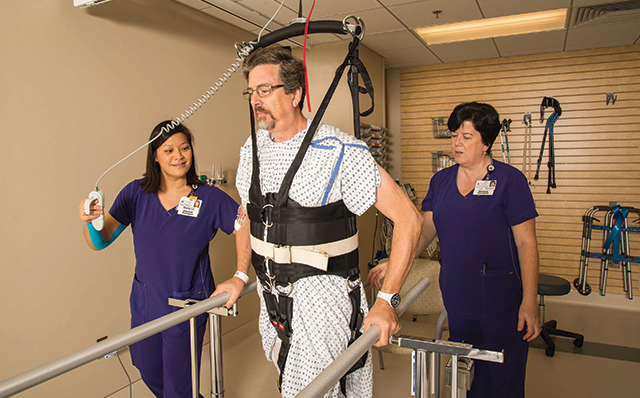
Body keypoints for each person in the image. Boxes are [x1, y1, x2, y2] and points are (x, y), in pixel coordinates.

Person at [213, 45, 421, 398]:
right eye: (251, 92)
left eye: (265, 90)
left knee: (307, 392)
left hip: (322, 298)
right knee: (294, 379)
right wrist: (238, 274)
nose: (255, 100)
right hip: (271, 297)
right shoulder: (251, 149)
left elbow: (409, 220)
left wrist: (386, 300)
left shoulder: (340, 150)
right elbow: (248, 215)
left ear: (295, 93)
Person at [369, 102, 541, 398]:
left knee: (504, 378)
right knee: (467, 375)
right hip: (459, 296)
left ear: (486, 142)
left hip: (501, 299)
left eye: (467, 136)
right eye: (453, 135)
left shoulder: (510, 181)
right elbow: (423, 232)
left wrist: (529, 301)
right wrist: (394, 262)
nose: (456, 143)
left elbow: (527, 243)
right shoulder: (442, 181)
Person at [79, 121, 248, 398]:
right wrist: (91, 222)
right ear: (154, 155)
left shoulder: (208, 197)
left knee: (178, 386)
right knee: (147, 369)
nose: (178, 156)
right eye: (168, 150)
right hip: (146, 302)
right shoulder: (136, 193)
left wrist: (240, 275)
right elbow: (102, 241)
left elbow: (243, 221)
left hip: (186, 303)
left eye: (184, 148)